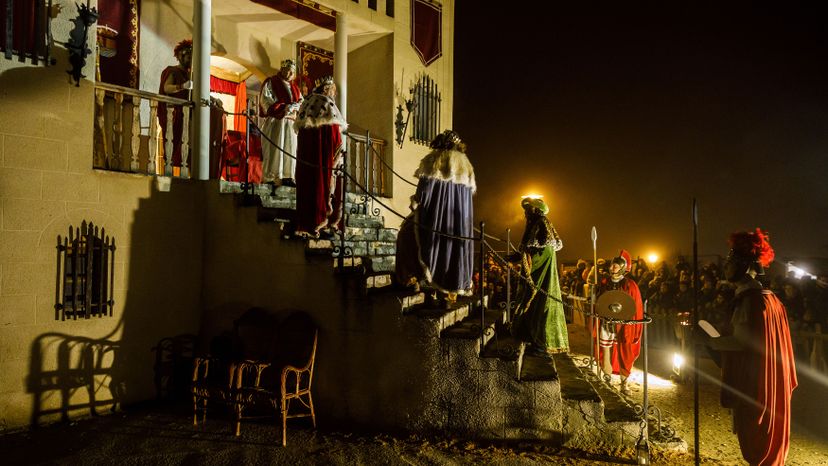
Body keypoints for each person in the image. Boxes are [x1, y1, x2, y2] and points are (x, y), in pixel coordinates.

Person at [706, 229, 797, 466]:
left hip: (755, 382)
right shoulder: (770, 298)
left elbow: (741, 343)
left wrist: (707, 340)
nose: (725, 268)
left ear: (746, 266)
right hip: (766, 380)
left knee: (754, 439)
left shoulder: (752, 300)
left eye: (731, 263)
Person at [404, 130, 475, 304]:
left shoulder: (434, 160)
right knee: (454, 249)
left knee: (408, 235)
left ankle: (420, 282)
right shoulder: (466, 166)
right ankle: (452, 291)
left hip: (436, 216)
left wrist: (416, 202)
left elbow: (424, 190)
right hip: (459, 220)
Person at [509, 197, 569, 355]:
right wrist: (516, 256)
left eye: (528, 210)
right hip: (535, 274)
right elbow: (529, 248)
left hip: (540, 275)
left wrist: (521, 256)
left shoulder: (541, 222)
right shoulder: (534, 224)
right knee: (533, 305)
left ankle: (540, 344)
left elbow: (540, 249)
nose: (525, 213)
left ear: (536, 210)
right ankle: (532, 338)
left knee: (540, 304)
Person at [293, 76, 347, 238]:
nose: (334, 94)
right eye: (333, 90)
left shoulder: (306, 103)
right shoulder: (326, 103)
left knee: (308, 184)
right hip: (322, 159)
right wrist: (338, 152)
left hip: (306, 160)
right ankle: (320, 221)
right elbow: (333, 137)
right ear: (326, 89)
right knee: (320, 183)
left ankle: (306, 222)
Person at [593, 250, 644, 395]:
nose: (612, 268)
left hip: (624, 324)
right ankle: (607, 378)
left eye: (615, 266)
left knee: (624, 352)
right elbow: (599, 301)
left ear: (622, 268)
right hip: (607, 321)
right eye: (612, 266)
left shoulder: (630, 284)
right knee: (606, 349)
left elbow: (635, 307)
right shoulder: (604, 282)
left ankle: (624, 383)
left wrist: (632, 324)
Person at [259, 59, 303, 185]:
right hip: (276, 122)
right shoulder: (271, 82)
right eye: (288, 70)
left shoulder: (295, 88)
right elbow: (265, 100)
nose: (290, 73)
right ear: (282, 69)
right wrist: (285, 107)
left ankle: (288, 176)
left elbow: (302, 103)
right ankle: (271, 177)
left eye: (292, 72)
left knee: (290, 148)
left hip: (290, 122)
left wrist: (297, 106)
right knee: (275, 149)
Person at [158, 39, 192, 171]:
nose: (189, 59)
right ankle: (168, 171)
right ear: (180, 56)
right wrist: (182, 86)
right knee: (171, 144)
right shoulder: (172, 71)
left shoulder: (190, 74)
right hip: (174, 114)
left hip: (185, 116)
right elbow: (167, 88)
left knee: (184, 147)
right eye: (188, 56)